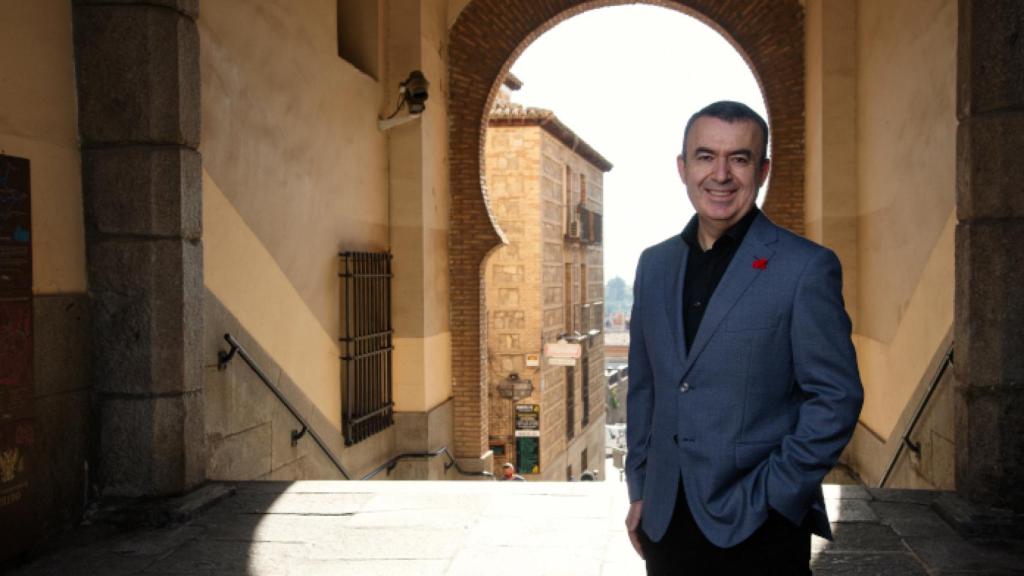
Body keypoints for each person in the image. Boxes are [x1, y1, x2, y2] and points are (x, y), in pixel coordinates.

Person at [624, 101, 863, 575]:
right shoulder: (654, 265)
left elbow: (836, 396)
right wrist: (641, 488)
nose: (721, 174)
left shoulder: (804, 268)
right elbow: (645, 388)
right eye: (705, 156)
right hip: (667, 520)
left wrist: (778, 493)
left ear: (763, 169)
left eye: (739, 158)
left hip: (760, 524)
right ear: (683, 167)